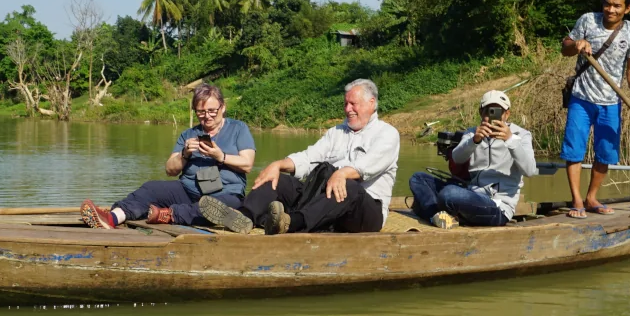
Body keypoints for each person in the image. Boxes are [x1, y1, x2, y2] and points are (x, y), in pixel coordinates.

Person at [199, 78, 399, 235]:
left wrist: (343, 173)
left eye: (353, 104)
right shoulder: (336, 132)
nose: (347, 109)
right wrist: (278, 165)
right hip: (327, 201)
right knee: (279, 181)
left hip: (364, 213)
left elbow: (368, 165)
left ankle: (292, 223)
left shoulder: (387, 134)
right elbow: (309, 157)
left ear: (371, 103)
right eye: (346, 104)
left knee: (347, 185)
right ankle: (243, 217)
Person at [80, 84, 255, 228]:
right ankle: (112, 218)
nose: (206, 117)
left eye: (212, 111)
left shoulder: (238, 129)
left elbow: (247, 164)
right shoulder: (188, 134)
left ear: (222, 108)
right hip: (188, 190)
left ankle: (170, 214)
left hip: (224, 194)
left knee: (212, 208)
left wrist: (220, 156)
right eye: (201, 112)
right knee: (151, 188)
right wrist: (185, 154)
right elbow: (170, 169)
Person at [560, 0, 630, 218]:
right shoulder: (588, 20)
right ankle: (577, 200)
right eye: (607, 4)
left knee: (606, 151)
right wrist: (577, 45)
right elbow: (565, 47)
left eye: (617, 6)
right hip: (581, 97)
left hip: (611, 100)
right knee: (574, 149)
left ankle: (591, 197)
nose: (610, 9)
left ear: (627, 8)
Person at [408, 90, 537, 229]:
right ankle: (436, 217)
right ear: (480, 113)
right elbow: (456, 158)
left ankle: (433, 212)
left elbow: (530, 170)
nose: (492, 117)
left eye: (498, 111)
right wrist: (474, 141)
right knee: (418, 179)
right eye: (488, 111)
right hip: (471, 193)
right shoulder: (472, 133)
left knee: (449, 194)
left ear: (507, 114)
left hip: (498, 206)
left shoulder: (521, 135)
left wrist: (510, 140)